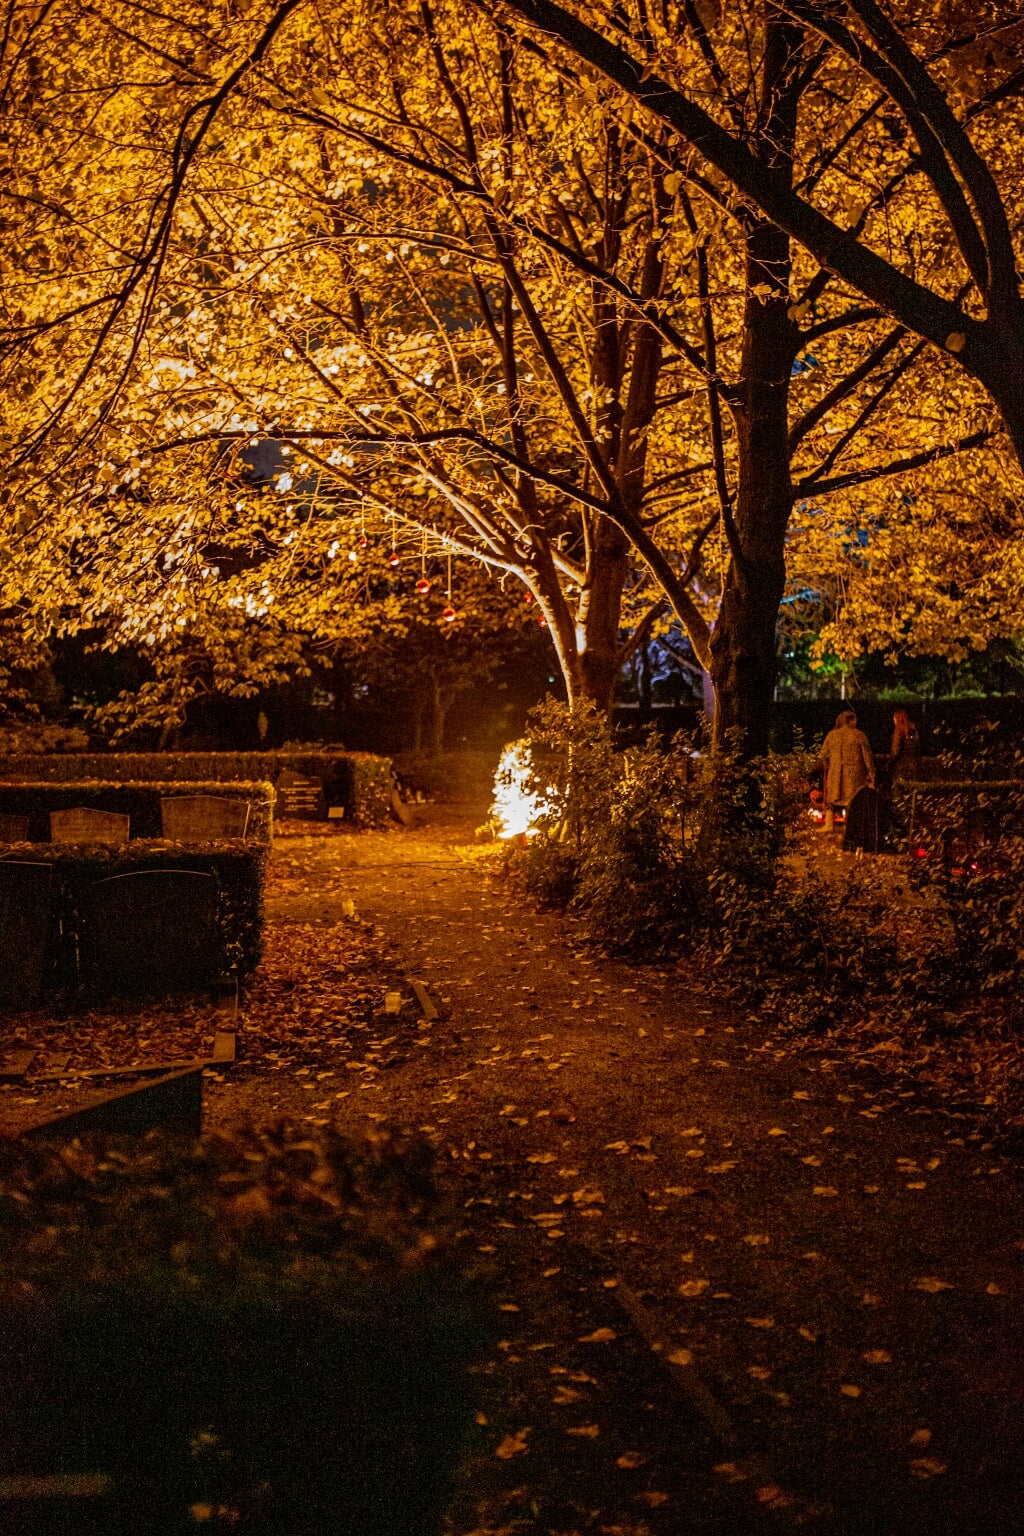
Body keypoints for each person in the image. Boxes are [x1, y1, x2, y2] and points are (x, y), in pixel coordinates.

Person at [819, 709, 875, 832]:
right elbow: (867, 755)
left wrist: (829, 766)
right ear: (851, 720)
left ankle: (829, 824)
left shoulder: (832, 735)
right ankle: (850, 827)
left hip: (835, 772)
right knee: (853, 799)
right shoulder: (859, 735)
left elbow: (823, 755)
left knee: (832, 799)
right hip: (854, 773)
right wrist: (871, 771)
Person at [889, 708, 921, 777]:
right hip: (913, 764)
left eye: (894, 718)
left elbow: (896, 750)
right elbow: (917, 748)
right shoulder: (913, 728)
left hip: (901, 764)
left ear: (897, 718)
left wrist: (890, 764)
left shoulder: (898, 730)